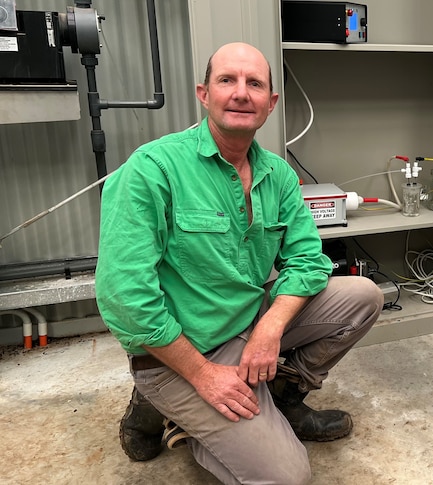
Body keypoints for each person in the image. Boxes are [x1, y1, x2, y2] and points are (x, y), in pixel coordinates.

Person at [95, 42, 383, 484]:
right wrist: (205, 375)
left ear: (270, 103)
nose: (241, 93)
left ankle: (284, 400)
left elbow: (308, 260)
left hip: (248, 323)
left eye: (254, 84)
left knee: (363, 296)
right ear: (203, 93)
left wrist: (269, 330)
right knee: (288, 477)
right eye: (226, 80)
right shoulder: (152, 169)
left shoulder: (279, 175)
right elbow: (125, 300)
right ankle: (172, 411)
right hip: (183, 352)